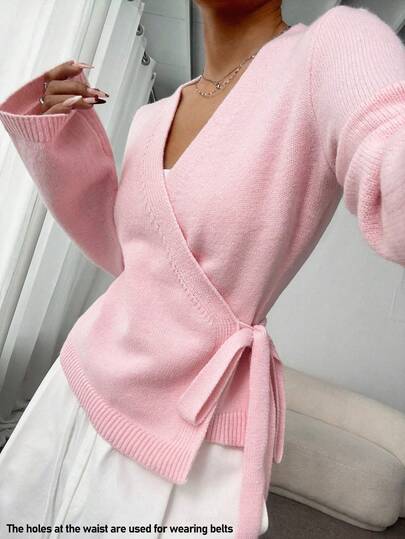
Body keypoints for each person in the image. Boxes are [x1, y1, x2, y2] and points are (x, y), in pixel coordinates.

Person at [0, 1, 404, 538]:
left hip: (190, 430)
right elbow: (130, 260)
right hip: (74, 384)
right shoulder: (150, 119)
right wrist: (60, 139)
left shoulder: (330, 46)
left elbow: (388, 146)